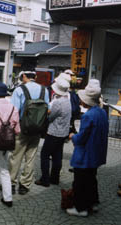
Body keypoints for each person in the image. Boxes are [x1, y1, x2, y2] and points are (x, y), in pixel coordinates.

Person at [67, 79, 108, 217]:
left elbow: (81, 138)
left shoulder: (88, 116)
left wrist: (73, 136)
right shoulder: (102, 112)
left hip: (85, 155)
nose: (80, 101)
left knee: (80, 182)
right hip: (97, 153)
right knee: (91, 180)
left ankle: (81, 208)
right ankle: (93, 203)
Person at [9, 71, 49, 195]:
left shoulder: (19, 90)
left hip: (22, 128)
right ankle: (25, 185)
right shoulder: (45, 90)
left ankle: (11, 183)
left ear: (24, 76)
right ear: (35, 77)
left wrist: (12, 129)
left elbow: (14, 111)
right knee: (30, 157)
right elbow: (47, 110)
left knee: (16, 157)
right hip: (37, 129)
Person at [35, 78, 71, 187]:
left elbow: (50, 118)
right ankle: (55, 178)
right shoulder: (68, 101)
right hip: (63, 132)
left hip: (53, 133)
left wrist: (47, 113)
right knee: (57, 155)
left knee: (45, 155)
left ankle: (45, 179)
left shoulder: (58, 102)